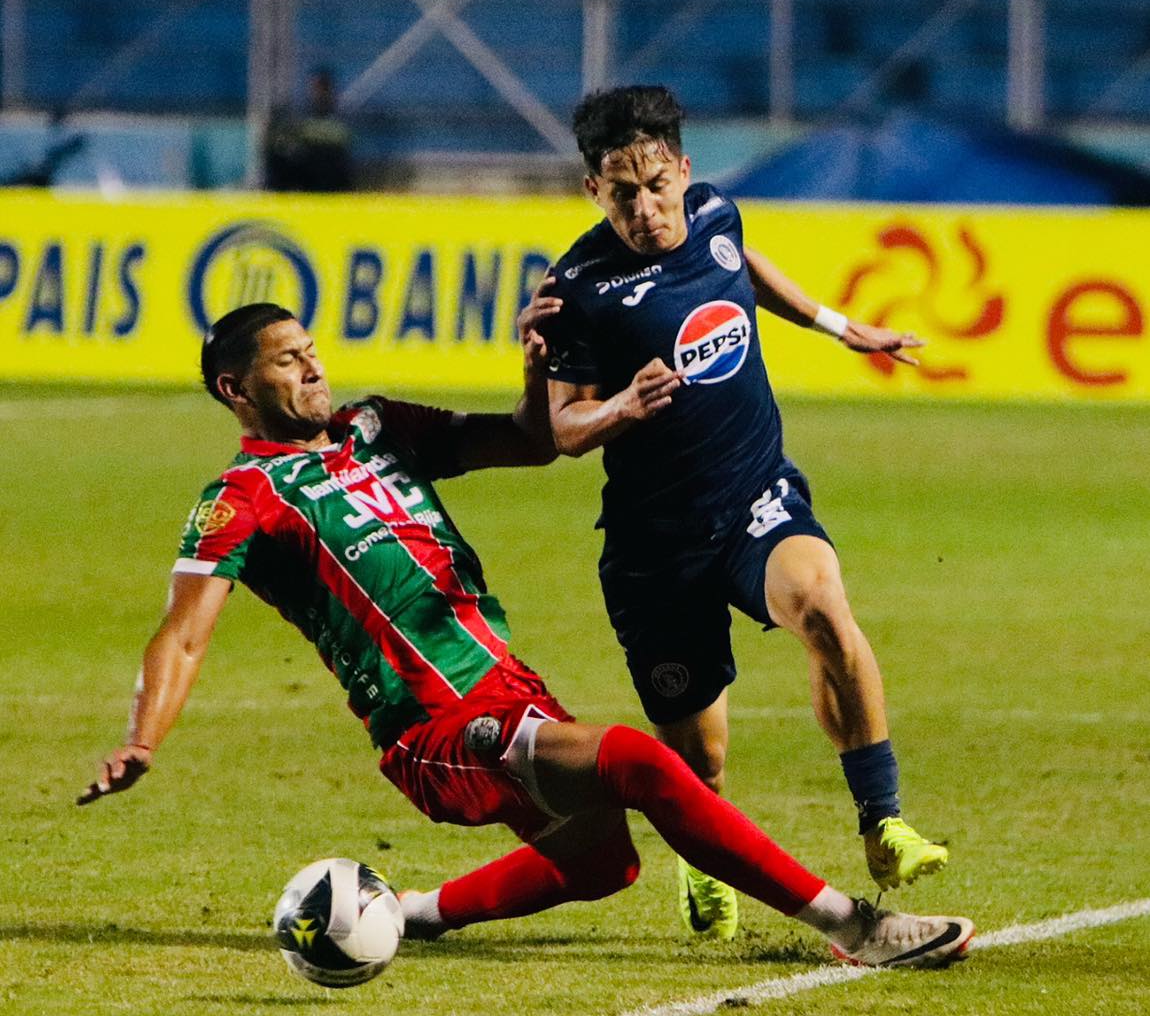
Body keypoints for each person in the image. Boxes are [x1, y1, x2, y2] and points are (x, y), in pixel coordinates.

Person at [84, 301, 973, 971]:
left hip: (506, 684)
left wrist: (536, 368)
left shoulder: (375, 427)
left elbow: (529, 441)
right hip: (428, 724)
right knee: (641, 762)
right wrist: (141, 737)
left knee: (604, 863)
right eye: (287, 362)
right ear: (237, 390)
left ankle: (404, 913)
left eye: (312, 351)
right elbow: (184, 633)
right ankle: (853, 926)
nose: (312, 369)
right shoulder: (242, 498)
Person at [537, 84, 947, 941]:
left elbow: (747, 271)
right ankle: (701, 852)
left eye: (658, 185)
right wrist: (620, 409)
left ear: (685, 171)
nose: (647, 208)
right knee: (702, 761)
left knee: (824, 610)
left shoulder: (718, 213)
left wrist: (841, 326)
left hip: (756, 496)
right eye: (624, 191)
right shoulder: (576, 290)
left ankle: (883, 823)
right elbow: (563, 426)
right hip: (657, 549)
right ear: (592, 191)